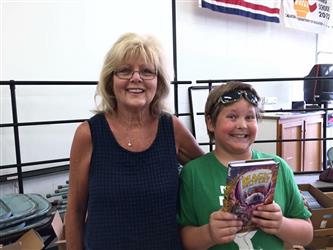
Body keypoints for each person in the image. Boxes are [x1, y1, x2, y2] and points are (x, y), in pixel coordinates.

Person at [66, 32, 204, 250]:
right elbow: (74, 209)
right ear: (111, 79)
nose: (136, 78)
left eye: (147, 71)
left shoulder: (172, 128)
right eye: (125, 70)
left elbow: (207, 171)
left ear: (158, 82)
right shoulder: (88, 134)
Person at [177, 81, 313, 250]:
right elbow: (184, 238)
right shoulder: (193, 174)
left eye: (250, 117)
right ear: (211, 123)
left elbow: (307, 234)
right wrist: (209, 234)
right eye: (232, 116)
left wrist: (281, 224)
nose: (242, 125)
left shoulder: (280, 168)